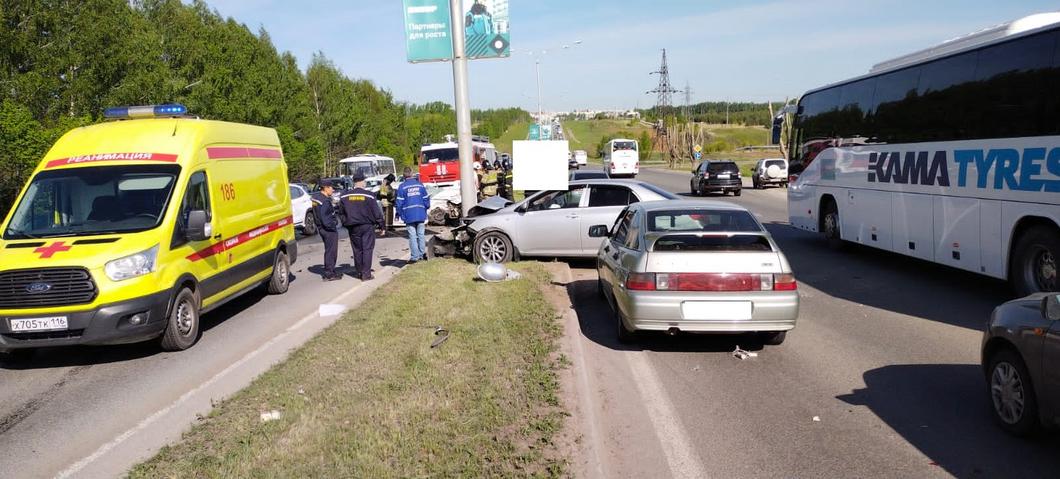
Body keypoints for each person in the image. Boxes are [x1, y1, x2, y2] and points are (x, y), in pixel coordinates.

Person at [339, 172, 384, 280]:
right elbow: (376, 212)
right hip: (367, 226)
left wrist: (346, 223)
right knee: (367, 249)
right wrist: (382, 226)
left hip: (353, 227)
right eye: (364, 181)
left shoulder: (344, 196)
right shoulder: (369, 195)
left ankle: (359, 271)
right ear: (362, 181)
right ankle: (366, 274)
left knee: (357, 249)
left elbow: (341, 213)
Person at [395, 167, 431, 263]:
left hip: (409, 215)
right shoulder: (420, 185)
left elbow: (399, 203)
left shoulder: (402, 187)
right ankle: (422, 254)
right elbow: (426, 199)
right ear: (412, 174)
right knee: (421, 234)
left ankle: (415, 257)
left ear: (404, 175)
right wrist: (426, 208)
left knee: (412, 236)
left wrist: (399, 214)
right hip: (420, 213)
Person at [310, 180, 342, 281]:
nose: (333, 190)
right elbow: (325, 218)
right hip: (328, 230)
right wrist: (333, 225)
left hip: (321, 228)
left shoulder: (316, 198)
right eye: (331, 187)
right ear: (326, 188)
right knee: (331, 251)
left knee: (329, 250)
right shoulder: (324, 201)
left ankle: (330, 271)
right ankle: (330, 274)